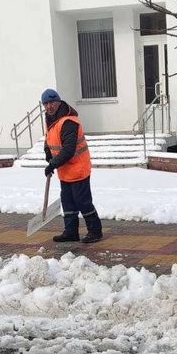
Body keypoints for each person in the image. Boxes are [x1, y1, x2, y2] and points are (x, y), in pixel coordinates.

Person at [41, 88, 103, 244]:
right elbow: (49, 138)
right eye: (46, 104)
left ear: (58, 102)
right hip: (65, 171)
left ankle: (95, 231)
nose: (49, 106)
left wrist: (52, 165)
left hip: (78, 169)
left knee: (82, 201)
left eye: (52, 102)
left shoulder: (68, 121)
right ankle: (70, 232)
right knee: (68, 201)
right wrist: (47, 152)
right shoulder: (51, 119)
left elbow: (68, 149)